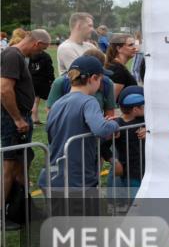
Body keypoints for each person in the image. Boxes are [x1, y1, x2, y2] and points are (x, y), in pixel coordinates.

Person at [37, 55, 120, 191]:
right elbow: (101, 129)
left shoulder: (57, 103)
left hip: (53, 176)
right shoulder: (89, 101)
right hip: (77, 179)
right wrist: (114, 125)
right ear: (93, 78)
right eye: (100, 79)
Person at [1, 30, 51, 206]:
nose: (40, 54)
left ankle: (20, 207)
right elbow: (4, 90)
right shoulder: (12, 55)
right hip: (13, 118)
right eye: (42, 49)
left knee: (21, 163)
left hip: (21, 116)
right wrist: (17, 119)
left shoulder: (17, 55)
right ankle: (2, 214)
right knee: (9, 166)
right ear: (36, 44)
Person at [48, 48, 116, 119]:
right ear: (94, 76)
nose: (101, 78)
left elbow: (109, 113)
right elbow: (51, 112)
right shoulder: (61, 83)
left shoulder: (107, 83)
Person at [108, 85, 145, 202]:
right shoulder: (116, 126)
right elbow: (103, 146)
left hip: (146, 171)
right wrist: (114, 161)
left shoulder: (146, 121)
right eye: (144, 106)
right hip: (131, 174)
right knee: (135, 204)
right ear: (135, 110)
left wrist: (150, 131)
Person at [29, 41, 55, 125]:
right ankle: (50, 120)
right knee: (49, 101)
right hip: (43, 82)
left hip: (32, 80)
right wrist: (52, 80)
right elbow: (50, 70)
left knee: (35, 101)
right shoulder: (46, 56)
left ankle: (35, 119)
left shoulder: (30, 55)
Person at [105, 33, 138, 100]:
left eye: (134, 44)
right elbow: (112, 101)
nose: (135, 47)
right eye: (130, 45)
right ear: (119, 48)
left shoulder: (118, 66)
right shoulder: (117, 69)